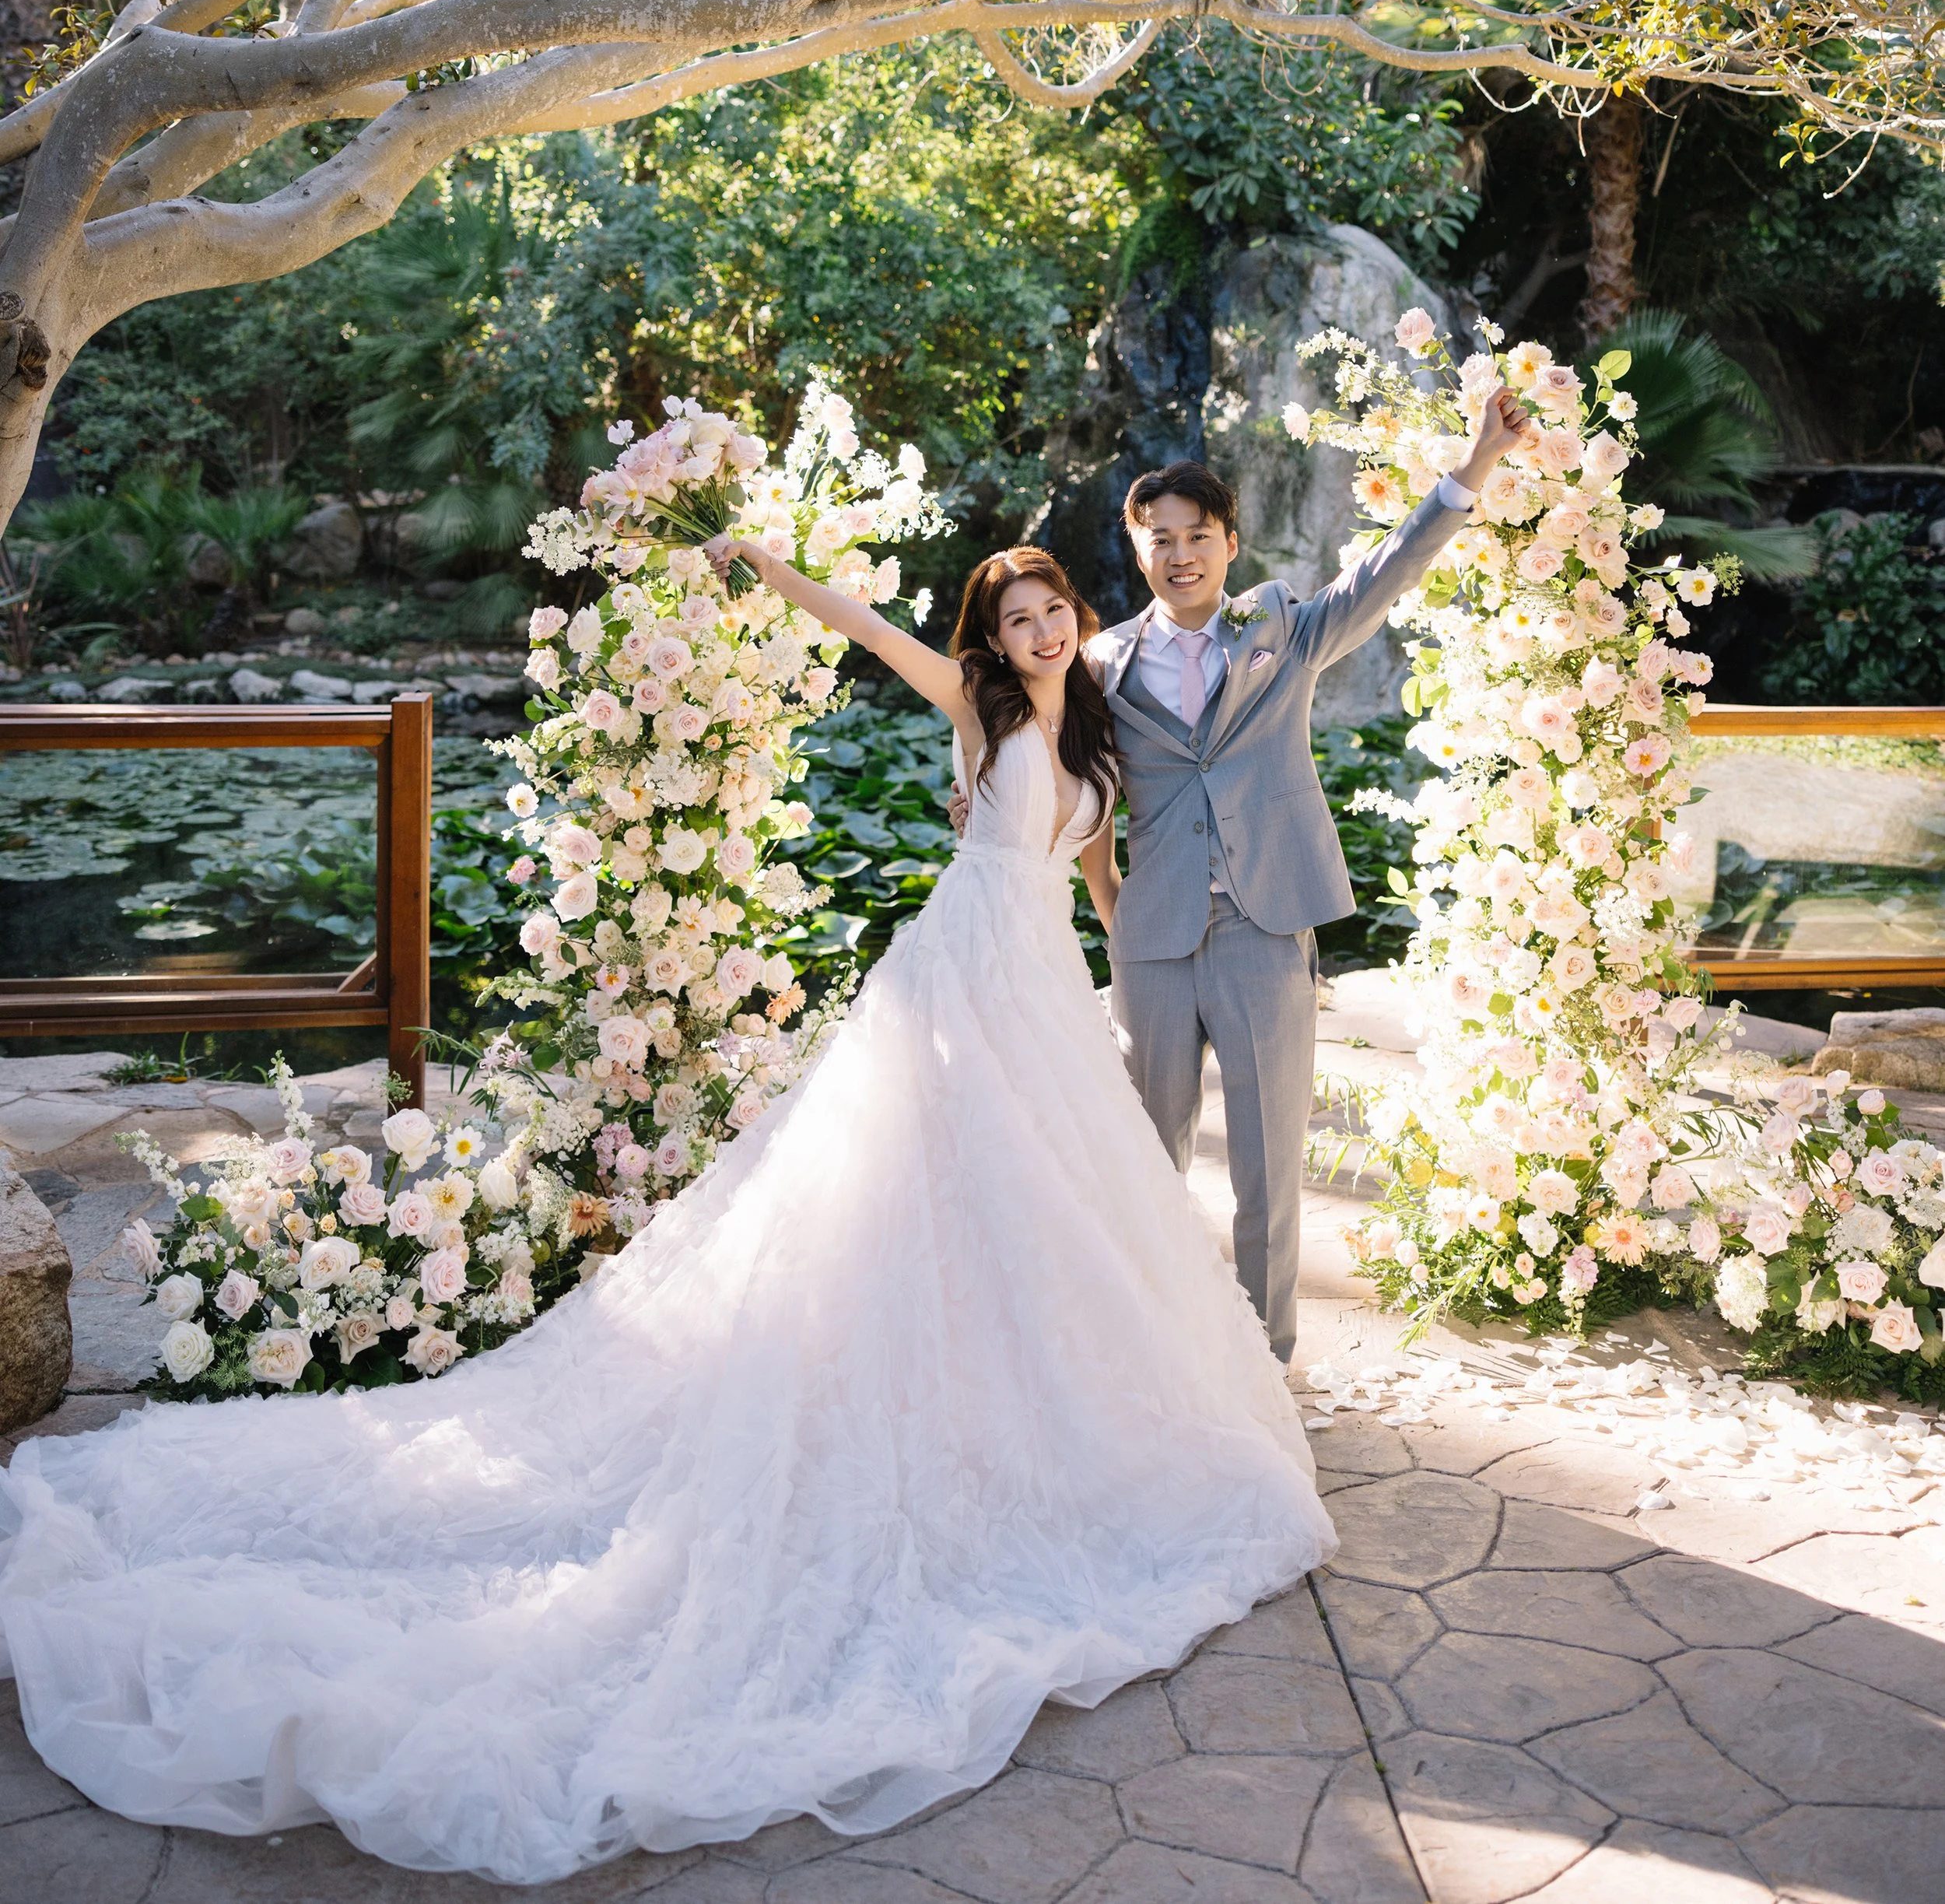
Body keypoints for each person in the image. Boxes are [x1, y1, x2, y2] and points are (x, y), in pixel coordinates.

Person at [0, 538, 1332, 1888]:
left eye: (1054, 611)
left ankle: (1029, 1409)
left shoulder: (1098, 719)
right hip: (956, 976)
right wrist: (765, 563)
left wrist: (1113, 974)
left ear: (1077, 618)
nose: (1040, 630)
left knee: (1046, 1215)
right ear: (990, 633)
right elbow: (866, 625)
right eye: (1016, 616)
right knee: (925, 1195)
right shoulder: (975, 703)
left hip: (1041, 977)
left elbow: (1099, 875)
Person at [1092, 383, 1530, 1361]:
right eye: (1158, 537)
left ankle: (1262, 1367)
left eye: (1197, 533)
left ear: (1229, 543)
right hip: (1153, 942)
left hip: (1264, 929)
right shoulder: (1101, 665)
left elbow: (1385, 574)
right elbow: (1059, 774)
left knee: (1265, 1169)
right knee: (1145, 1164)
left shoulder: (1281, 629)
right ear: (1137, 550)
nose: (1180, 552)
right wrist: (1001, 814)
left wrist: (1476, 462)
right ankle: (1153, 1360)